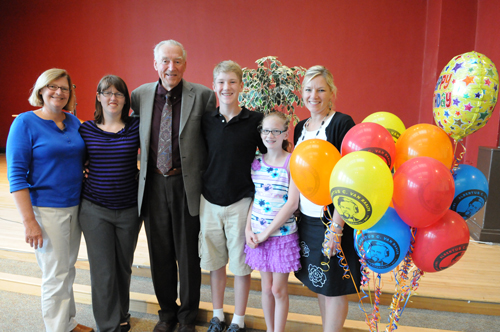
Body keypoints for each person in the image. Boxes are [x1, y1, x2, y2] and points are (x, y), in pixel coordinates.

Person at [130, 40, 216, 332]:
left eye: (177, 61)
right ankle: (167, 313)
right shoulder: (140, 95)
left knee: (188, 255)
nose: (171, 67)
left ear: (185, 64)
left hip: (186, 184)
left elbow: (210, 142)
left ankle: (187, 317)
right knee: (160, 253)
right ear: (155, 64)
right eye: (165, 61)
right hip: (152, 183)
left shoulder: (203, 96)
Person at [6, 68, 93, 332]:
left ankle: (67, 322)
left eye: (64, 88)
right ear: (41, 90)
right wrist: (29, 221)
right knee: (55, 274)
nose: (58, 92)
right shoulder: (24, 123)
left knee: (67, 268)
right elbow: (16, 176)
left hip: (74, 206)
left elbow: (81, 158)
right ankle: (57, 328)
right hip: (46, 210)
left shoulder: (73, 122)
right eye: (52, 87)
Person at [200, 60, 266, 332]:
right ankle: (218, 315)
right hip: (209, 201)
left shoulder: (255, 121)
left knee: (240, 266)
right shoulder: (205, 120)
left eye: (232, 82)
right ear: (214, 86)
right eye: (221, 82)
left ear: (241, 85)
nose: (226, 87)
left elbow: (268, 156)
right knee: (215, 264)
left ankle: (238, 319)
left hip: (241, 201)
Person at [293, 65, 361, 332]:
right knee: (321, 283)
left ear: (332, 92)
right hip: (307, 221)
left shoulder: (342, 124)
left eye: (321, 89)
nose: (314, 95)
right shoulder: (300, 127)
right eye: (309, 89)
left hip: (333, 220)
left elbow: (349, 178)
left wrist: (337, 226)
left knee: (334, 287)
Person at [78, 75, 141, 332]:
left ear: (126, 99)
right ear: (98, 97)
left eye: (118, 93)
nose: (112, 98)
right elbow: (74, 160)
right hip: (95, 210)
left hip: (129, 210)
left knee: (123, 267)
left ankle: (121, 313)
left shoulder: (137, 126)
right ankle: (109, 326)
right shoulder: (86, 129)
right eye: (107, 93)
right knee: (103, 270)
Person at [244, 111, 301, 332]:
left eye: (276, 131)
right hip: (257, 235)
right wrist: (248, 228)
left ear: (285, 133)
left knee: (278, 289)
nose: (270, 135)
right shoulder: (256, 162)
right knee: (266, 289)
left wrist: (266, 233)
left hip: (281, 236)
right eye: (266, 130)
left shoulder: (292, 163)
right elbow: (254, 198)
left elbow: (292, 204)